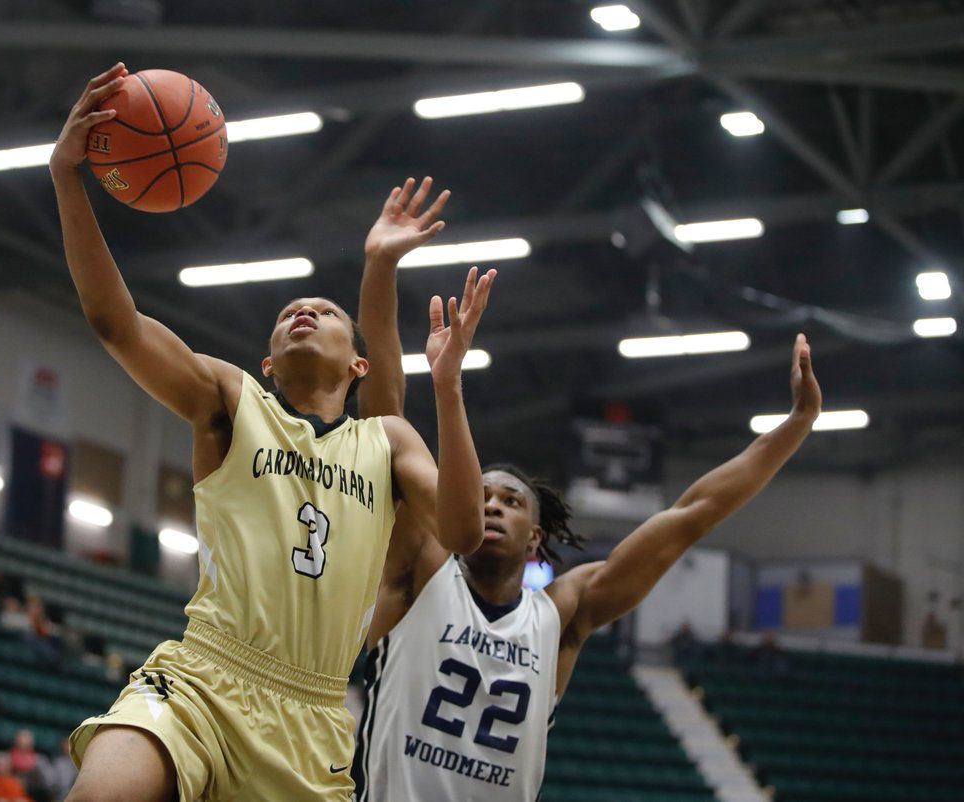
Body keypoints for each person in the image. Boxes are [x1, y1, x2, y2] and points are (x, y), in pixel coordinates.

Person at [50, 63, 494, 802]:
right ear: (266, 359)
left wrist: (446, 386)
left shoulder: (386, 441)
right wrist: (67, 177)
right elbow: (114, 323)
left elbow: (464, 529)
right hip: (200, 678)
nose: (301, 312)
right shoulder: (231, 399)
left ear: (357, 362)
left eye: (322, 309)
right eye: (288, 311)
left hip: (311, 713)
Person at [349, 178, 823, 801]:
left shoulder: (562, 613)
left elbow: (692, 514)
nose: (490, 502)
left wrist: (794, 427)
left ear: (537, 536)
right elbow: (383, 414)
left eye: (511, 500)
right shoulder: (420, 567)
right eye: (483, 492)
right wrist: (380, 267)